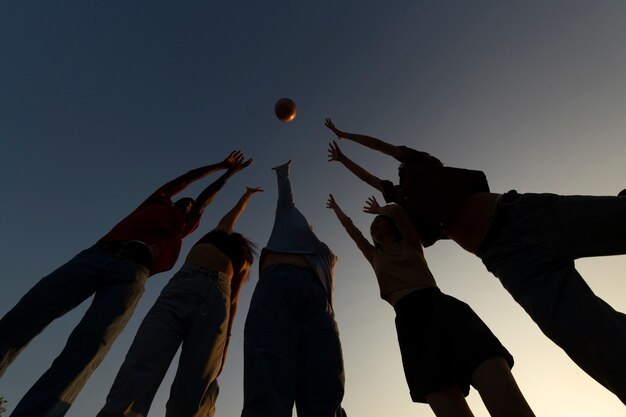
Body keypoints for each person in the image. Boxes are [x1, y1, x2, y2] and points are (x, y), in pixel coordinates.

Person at [325, 118, 626, 404]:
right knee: (590, 339)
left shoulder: (421, 165)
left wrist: (345, 136)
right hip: (506, 261)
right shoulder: (402, 209)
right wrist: (342, 161)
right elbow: (368, 178)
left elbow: (380, 146)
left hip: (519, 216)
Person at [0, 151, 251, 417]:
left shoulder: (183, 226)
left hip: (132, 273)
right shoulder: (158, 202)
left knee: (89, 347)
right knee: (28, 313)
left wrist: (228, 175)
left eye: (191, 206)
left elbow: (204, 198)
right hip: (98, 255)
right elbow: (187, 179)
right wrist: (219, 165)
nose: (187, 205)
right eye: (184, 202)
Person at [327, 194, 535, 417]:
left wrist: (382, 210)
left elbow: (398, 210)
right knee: (441, 396)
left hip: (442, 309)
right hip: (410, 323)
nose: (374, 227)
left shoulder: (411, 243)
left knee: (496, 384)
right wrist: (336, 208)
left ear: (391, 225)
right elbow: (352, 231)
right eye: (372, 227)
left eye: (379, 222)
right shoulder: (374, 255)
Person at [97, 186, 262, 417]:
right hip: (182, 287)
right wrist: (247, 194)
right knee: (142, 364)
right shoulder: (222, 231)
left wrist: (226, 342)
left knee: (195, 388)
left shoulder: (244, 264)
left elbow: (233, 302)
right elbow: (234, 213)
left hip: (217, 299)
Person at [241, 160, 347, 417]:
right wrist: (283, 173)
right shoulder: (288, 218)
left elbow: (329, 285)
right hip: (278, 284)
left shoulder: (327, 254)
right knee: (268, 380)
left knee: (325, 386)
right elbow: (286, 198)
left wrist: (328, 311)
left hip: (318, 302)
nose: (308, 227)